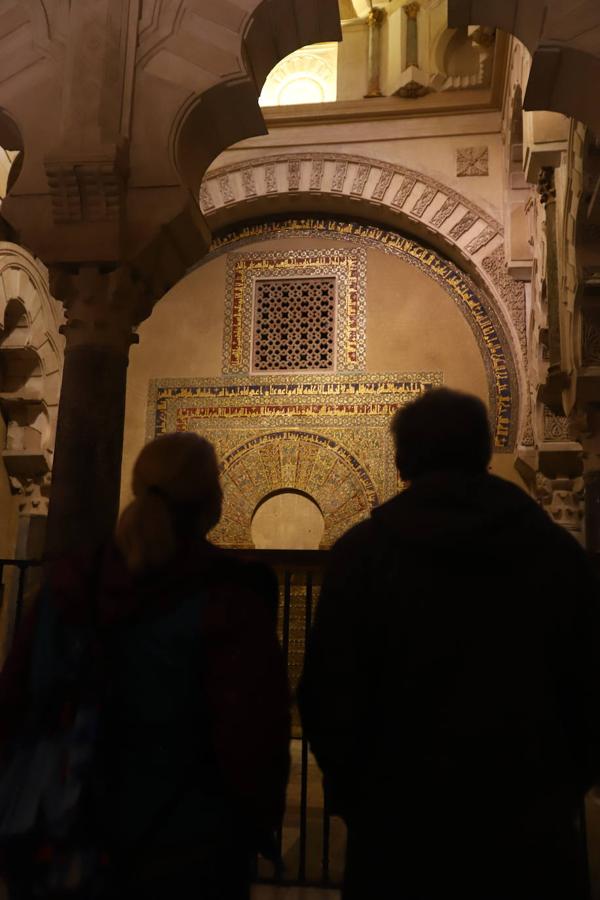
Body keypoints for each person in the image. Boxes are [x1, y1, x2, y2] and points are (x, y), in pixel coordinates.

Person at [298, 388, 600, 900]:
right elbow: (589, 682)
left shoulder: (363, 556)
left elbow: (328, 694)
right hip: (528, 835)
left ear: (403, 459)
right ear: (483, 449)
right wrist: (560, 787)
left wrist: (359, 795)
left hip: (399, 836)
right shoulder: (554, 553)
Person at [0, 432, 290, 900]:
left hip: (67, 829)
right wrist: (252, 826)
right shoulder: (229, 596)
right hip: (185, 848)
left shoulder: (69, 583)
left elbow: (16, 696)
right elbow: (252, 733)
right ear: (212, 500)